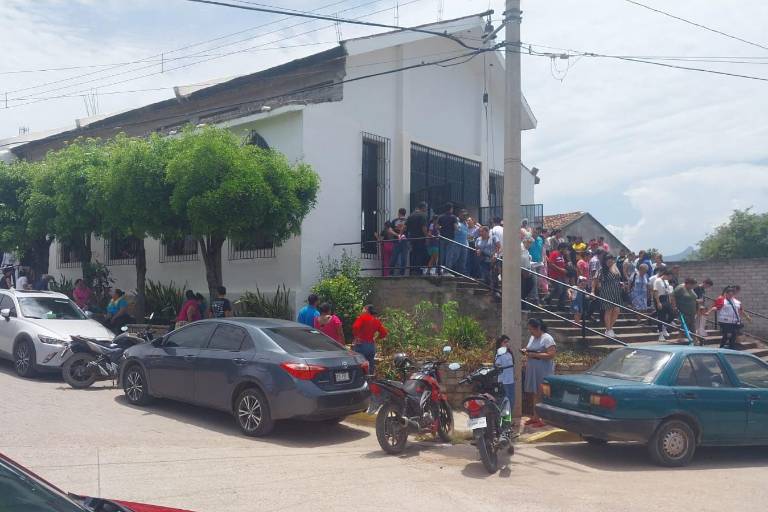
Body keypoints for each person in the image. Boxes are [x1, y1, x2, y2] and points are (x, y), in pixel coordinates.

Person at [522, 318, 556, 428]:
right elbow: (529, 348)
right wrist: (525, 351)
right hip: (533, 369)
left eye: (532, 329)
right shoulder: (532, 337)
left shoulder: (547, 338)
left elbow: (551, 354)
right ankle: (535, 416)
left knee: (543, 393)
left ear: (538, 328)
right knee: (535, 393)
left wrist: (536, 355)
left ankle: (544, 418)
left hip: (543, 370)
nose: (530, 332)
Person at [352, 304, 388, 374]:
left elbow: (355, 327)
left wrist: (357, 337)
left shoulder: (362, 317)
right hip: (371, 346)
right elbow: (384, 333)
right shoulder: (376, 320)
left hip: (361, 345)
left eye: (363, 309)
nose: (362, 310)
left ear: (366, 310)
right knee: (370, 366)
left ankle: (361, 382)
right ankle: (370, 382)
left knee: (360, 366)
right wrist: (376, 338)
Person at [594, 254, 623, 338]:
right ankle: (608, 329)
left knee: (617, 310)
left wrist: (620, 284)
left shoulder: (615, 269)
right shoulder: (602, 270)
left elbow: (618, 279)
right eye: (608, 260)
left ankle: (609, 328)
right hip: (606, 292)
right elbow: (595, 279)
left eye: (611, 259)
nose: (610, 261)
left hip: (616, 292)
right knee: (609, 310)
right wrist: (593, 290)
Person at [406, 202, 430, 275]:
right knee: (420, 254)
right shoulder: (423, 215)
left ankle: (413, 270)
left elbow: (405, 227)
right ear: (423, 207)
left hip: (412, 238)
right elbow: (424, 227)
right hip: (420, 238)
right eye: (426, 208)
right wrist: (426, 237)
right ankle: (418, 270)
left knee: (413, 253)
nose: (426, 209)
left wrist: (400, 234)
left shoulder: (411, 216)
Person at [495, 335, 515, 417]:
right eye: (505, 342)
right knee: (505, 402)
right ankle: (504, 421)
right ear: (500, 344)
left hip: (511, 381)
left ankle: (509, 420)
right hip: (503, 381)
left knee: (511, 401)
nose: (507, 344)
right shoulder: (499, 355)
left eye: (508, 342)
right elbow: (497, 366)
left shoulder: (509, 353)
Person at [653, 269, 676, 341]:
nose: (670, 278)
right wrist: (658, 302)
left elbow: (668, 292)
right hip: (660, 298)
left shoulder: (666, 281)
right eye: (669, 277)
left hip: (666, 298)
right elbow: (655, 292)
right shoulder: (657, 280)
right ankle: (660, 334)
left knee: (672, 314)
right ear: (666, 275)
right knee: (661, 316)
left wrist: (669, 301)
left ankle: (664, 327)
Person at [674, 278, 699, 343]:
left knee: (692, 325)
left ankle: (694, 338)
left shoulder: (691, 289)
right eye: (692, 285)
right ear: (688, 283)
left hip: (692, 311)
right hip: (684, 310)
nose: (693, 287)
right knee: (684, 324)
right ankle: (682, 338)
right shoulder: (680, 288)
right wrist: (674, 306)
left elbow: (694, 298)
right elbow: (672, 296)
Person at [546, 242, 568, 309]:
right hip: (555, 275)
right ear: (561, 248)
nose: (566, 251)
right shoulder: (554, 253)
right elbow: (550, 264)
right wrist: (560, 269)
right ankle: (548, 298)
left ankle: (561, 305)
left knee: (564, 290)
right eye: (565, 249)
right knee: (559, 289)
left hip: (562, 276)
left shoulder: (562, 256)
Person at [438, 203, 459, 270]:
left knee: (442, 254)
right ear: (451, 209)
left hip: (442, 237)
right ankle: (447, 269)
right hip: (450, 238)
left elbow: (437, 227)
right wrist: (457, 228)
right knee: (449, 254)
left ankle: (440, 268)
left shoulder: (441, 217)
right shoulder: (453, 217)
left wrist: (442, 229)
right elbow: (455, 227)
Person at [389, 208, 409, 276]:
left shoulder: (395, 221)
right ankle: (402, 273)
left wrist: (397, 235)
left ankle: (391, 272)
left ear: (399, 213)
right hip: (405, 240)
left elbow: (390, 230)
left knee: (394, 256)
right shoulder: (407, 221)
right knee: (404, 257)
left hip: (396, 240)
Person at [454, 211, 470, 275]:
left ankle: (461, 273)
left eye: (466, 216)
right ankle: (453, 271)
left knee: (463, 260)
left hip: (465, 244)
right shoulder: (456, 222)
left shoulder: (466, 224)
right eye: (463, 215)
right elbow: (456, 230)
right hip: (457, 243)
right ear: (460, 215)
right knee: (455, 258)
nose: (465, 217)